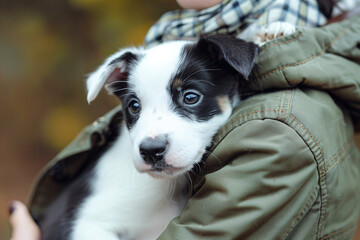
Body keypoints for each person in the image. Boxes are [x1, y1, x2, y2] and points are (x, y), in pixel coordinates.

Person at [10, 0, 360, 239]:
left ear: (235, 76)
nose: (151, 138)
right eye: (135, 106)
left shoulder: (278, 128)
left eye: (189, 98)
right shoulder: (278, 76)